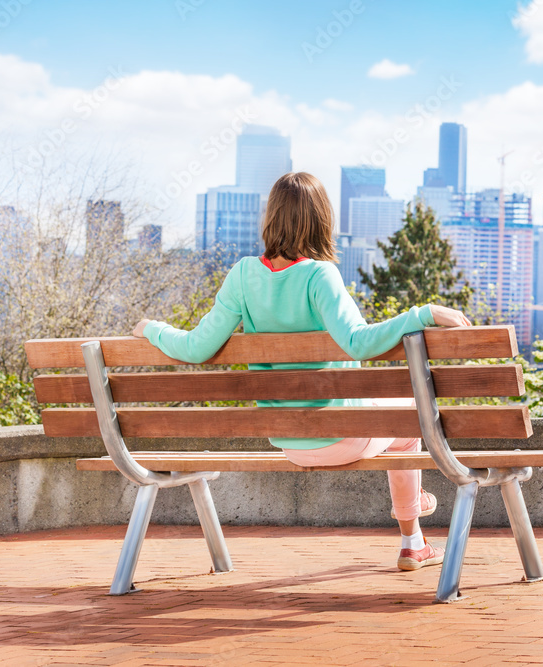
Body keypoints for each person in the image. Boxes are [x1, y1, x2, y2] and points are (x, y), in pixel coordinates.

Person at [130, 171, 470, 571]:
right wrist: (423, 313)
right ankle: (412, 539)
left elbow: (197, 347)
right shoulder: (318, 274)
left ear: (271, 217)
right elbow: (358, 341)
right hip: (343, 436)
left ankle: (415, 515)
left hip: (289, 440)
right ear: (321, 219)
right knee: (410, 417)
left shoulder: (242, 275)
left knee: (398, 421)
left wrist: (152, 328)